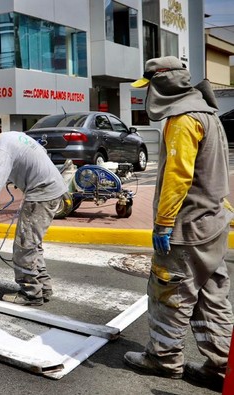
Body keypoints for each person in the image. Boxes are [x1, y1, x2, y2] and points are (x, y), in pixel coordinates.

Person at [123, 56, 233, 392]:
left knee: (168, 292)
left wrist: (164, 223)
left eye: (150, 86)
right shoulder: (208, 113)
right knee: (210, 296)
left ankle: (164, 358)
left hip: (187, 229)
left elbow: (178, 175)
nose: (147, 94)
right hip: (214, 222)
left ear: (163, 84)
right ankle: (221, 364)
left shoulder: (182, 120)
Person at [0, 125, 67, 306]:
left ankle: (31, 293)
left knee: (23, 246)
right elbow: (40, 152)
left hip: (42, 193)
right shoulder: (13, 136)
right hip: (51, 189)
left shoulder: (1, 148)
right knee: (32, 244)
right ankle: (44, 287)